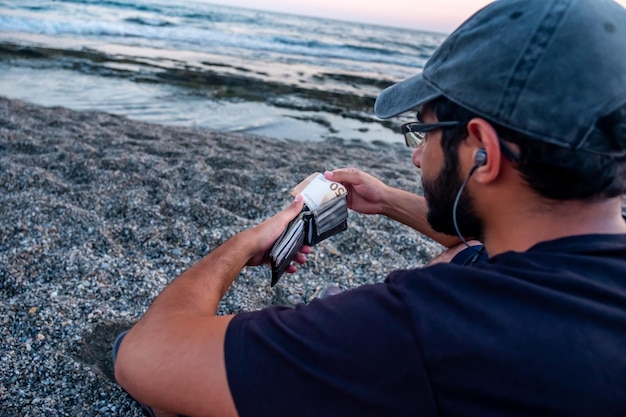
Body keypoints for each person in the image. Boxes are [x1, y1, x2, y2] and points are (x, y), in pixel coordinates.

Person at [113, 0, 626, 415]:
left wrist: (247, 242)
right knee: (467, 251)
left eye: (424, 131)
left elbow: (146, 355)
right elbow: (477, 238)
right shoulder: (587, 264)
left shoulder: (429, 326)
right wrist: (384, 202)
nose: (417, 154)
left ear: (483, 149)